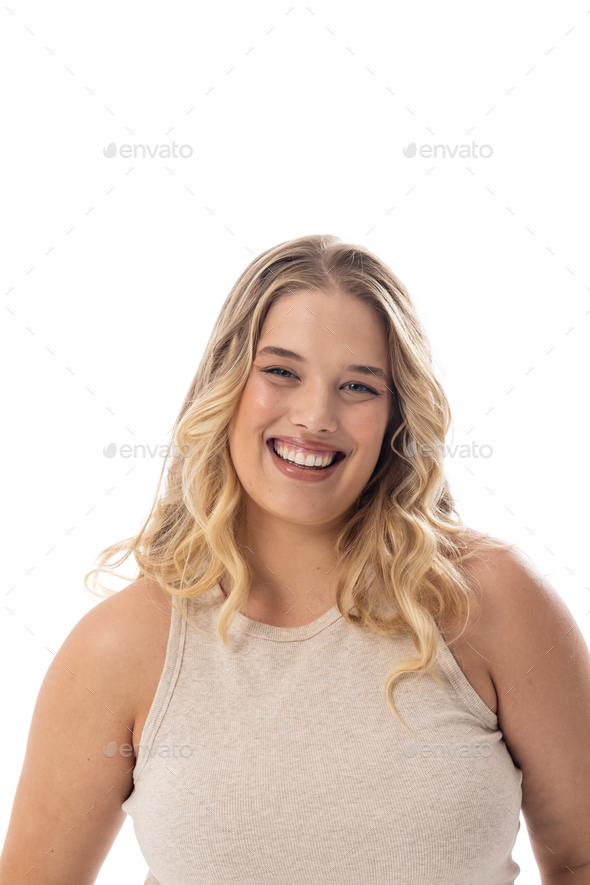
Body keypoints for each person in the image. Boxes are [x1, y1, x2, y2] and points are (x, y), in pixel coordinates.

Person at [1, 234, 589, 885]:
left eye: (358, 386)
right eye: (281, 371)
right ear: (226, 385)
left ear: (396, 414)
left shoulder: (489, 602)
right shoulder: (121, 644)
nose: (315, 416)